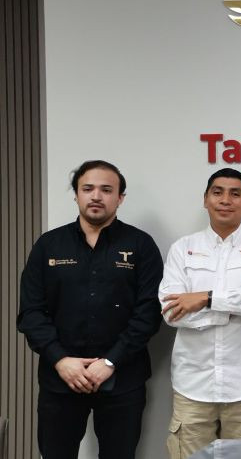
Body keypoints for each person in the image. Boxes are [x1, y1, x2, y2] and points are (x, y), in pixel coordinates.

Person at [17, 160, 163, 459]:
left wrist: (110, 361)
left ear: (120, 198)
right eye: (88, 188)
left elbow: (149, 312)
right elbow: (31, 311)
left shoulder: (141, 245)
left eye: (106, 190)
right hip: (60, 378)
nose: (96, 196)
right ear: (76, 195)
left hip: (123, 378)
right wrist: (60, 360)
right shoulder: (48, 245)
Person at [158, 168, 241, 459]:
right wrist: (240, 302)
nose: (225, 200)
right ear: (205, 199)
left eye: (235, 194)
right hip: (192, 384)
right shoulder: (183, 249)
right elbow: (172, 312)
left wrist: (204, 298)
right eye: (217, 192)